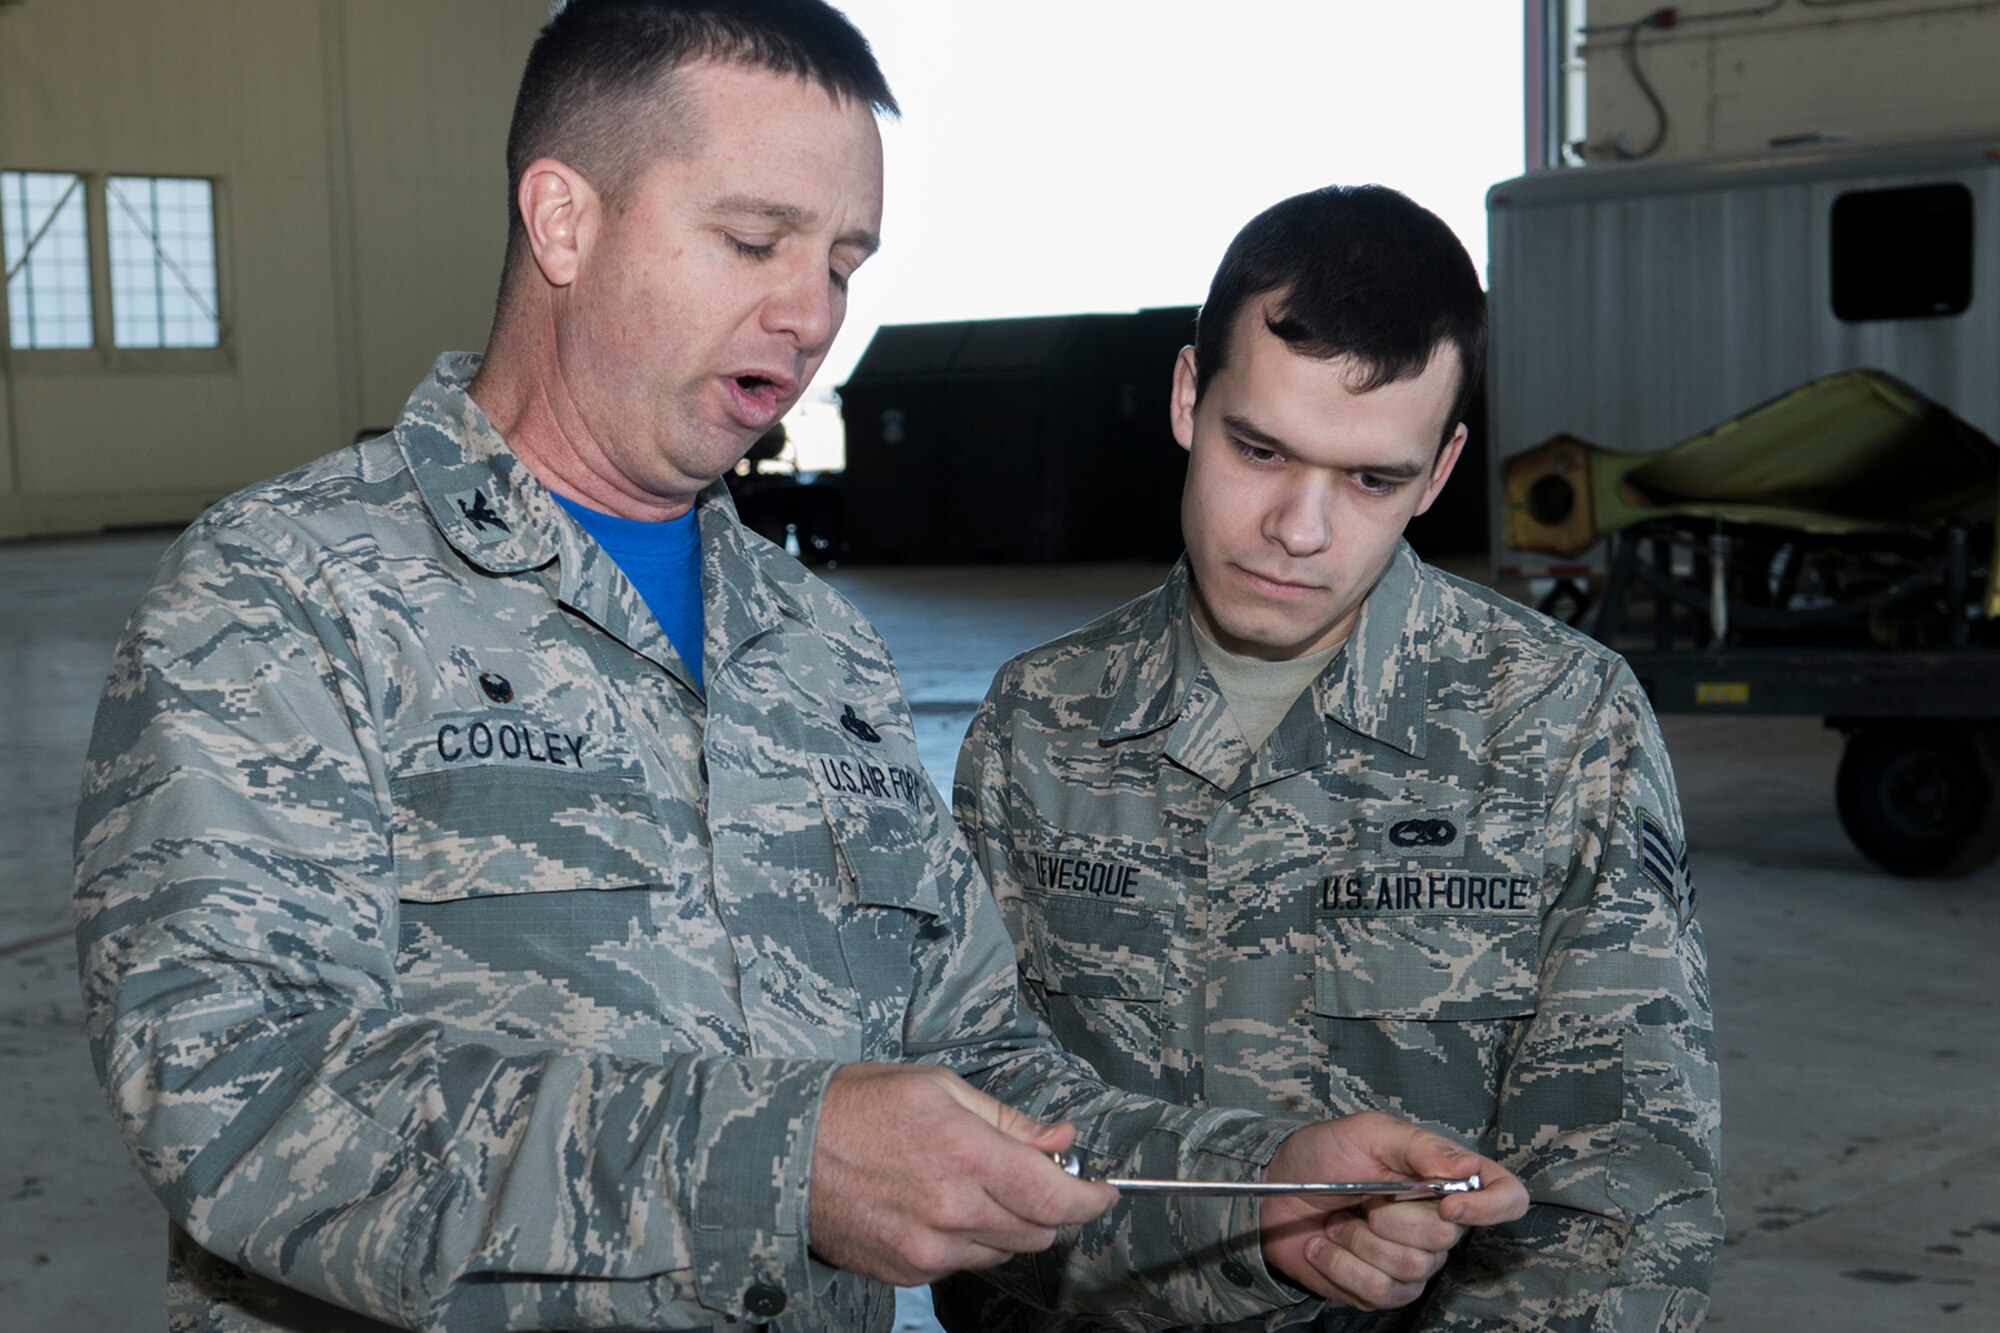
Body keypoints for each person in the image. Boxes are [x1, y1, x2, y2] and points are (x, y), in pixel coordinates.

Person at [72, 9, 1528, 1332]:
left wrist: (1259, 1190)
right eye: (754, 240)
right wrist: (781, 1161)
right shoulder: (289, 591)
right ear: (564, 219)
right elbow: (235, 1100)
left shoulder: (814, 647)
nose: (815, 313)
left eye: (843, 262)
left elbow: (979, 1077)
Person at [941, 185, 1723, 1332]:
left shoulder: (1559, 723)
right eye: (1258, 447)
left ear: (1442, 469)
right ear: (1183, 398)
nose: (1299, 529)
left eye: (1371, 479)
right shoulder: (1037, 724)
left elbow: (1624, 1200)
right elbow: (968, 1138)